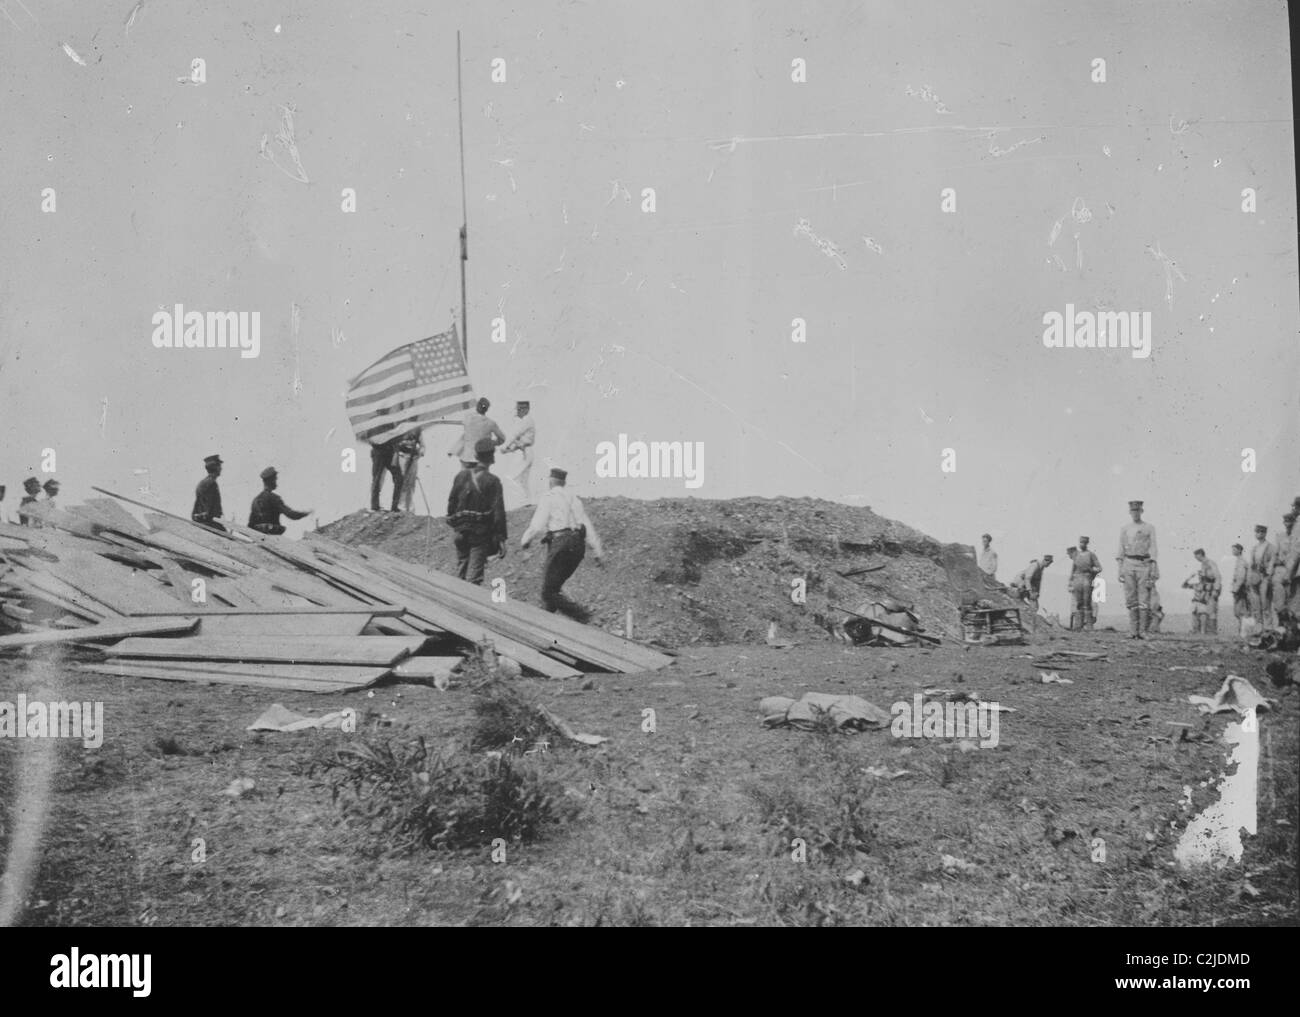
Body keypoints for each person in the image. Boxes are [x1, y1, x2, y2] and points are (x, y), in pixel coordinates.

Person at [520, 467, 605, 618]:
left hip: (560, 544)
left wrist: (525, 541)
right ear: (564, 482)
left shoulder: (549, 497)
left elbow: (537, 525)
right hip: (578, 546)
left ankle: (581, 615)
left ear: (551, 481)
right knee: (553, 588)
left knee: (548, 592)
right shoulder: (574, 499)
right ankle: (546, 621)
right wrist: (597, 551)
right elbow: (588, 526)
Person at [445, 438, 507, 585]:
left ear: (476, 456)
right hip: (479, 535)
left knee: (461, 573)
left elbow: (451, 504)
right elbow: (498, 513)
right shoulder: (493, 481)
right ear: (492, 458)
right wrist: (501, 538)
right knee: (473, 580)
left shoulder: (461, 476)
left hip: (460, 533)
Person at [1115, 499, 1158, 639]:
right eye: (1133, 511)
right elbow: (1120, 549)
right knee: (1130, 597)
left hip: (1143, 564)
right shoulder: (1125, 529)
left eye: (1137, 510)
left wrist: (1153, 566)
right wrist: (1120, 569)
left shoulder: (1149, 528)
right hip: (1128, 563)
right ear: (1129, 512)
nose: (1135, 513)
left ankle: (1143, 631)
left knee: (1144, 598)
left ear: (1142, 511)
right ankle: (1133, 630)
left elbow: (1153, 548)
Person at [248, 467, 313, 535]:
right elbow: (291, 515)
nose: (276, 481)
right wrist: (306, 513)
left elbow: (250, 524)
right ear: (271, 480)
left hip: (258, 538)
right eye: (275, 479)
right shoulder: (274, 498)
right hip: (272, 537)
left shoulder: (256, 500)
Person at [447, 397, 506, 468]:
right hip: (482, 459)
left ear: (477, 406)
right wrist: (491, 443)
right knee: (481, 477)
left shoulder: (468, 419)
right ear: (487, 409)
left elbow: (464, 437)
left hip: (466, 458)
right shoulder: (491, 423)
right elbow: (502, 438)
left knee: (465, 477)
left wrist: (453, 450)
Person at [501, 399, 536, 503]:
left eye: (520, 409)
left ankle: (524, 501)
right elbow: (518, 441)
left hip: (525, 452)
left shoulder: (527, 420)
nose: (518, 411)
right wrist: (509, 450)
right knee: (523, 480)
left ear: (527, 409)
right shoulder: (525, 420)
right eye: (518, 409)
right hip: (524, 451)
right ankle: (528, 502)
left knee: (510, 478)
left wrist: (504, 446)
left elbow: (514, 435)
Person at [1070, 536, 1102, 631]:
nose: (1082, 544)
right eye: (1080, 542)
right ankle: (1078, 626)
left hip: (1087, 579)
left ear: (1087, 544)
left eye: (1084, 543)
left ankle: (1089, 626)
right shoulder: (1076, 555)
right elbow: (1073, 570)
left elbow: (1099, 568)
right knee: (1079, 603)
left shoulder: (1091, 555)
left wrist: (1091, 570)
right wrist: (1071, 583)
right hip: (1077, 580)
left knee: (1087, 603)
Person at [1246, 524, 1275, 626]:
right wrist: (1249, 579)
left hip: (1265, 578)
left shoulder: (1270, 547)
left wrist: (1268, 573)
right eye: (1257, 532)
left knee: (1265, 605)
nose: (1258, 534)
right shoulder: (1254, 548)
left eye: (1261, 532)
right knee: (1256, 606)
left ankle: (1268, 628)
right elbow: (1250, 565)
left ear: (1265, 533)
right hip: (1255, 578)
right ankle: (1258, 628)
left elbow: (1272, 562)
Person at [1270, 513, 1295, 626]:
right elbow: (1276, 554)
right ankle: (1281, 627)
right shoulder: (1280, 536)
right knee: (1279, 602)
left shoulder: (1297, 537)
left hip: (1294, 572)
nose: (1288, 524)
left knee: (1292, 602)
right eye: (1286, 522)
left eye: (1290, 522)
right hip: (1281, 570)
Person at [369, 436, 404, 512]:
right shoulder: (374, 426)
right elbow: (370, 439)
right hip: (378, 452)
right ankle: (374, 506)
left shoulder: (390, 424)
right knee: (376, 480)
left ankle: (394, 507)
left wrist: (396, 453)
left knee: (399, 478)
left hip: (390, 453)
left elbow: (396, 437)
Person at [394, 428, 425, 513]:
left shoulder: (417, 430)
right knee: (402, 482)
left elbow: (422, 446)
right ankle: (401, 506)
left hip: (413, 459)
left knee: (411, 483)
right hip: (402, 457)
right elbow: (395, 443)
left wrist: (420, 453)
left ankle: (410, 507)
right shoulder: (400, 428)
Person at [192, 454, 225, 530]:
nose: (221, 468)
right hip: (209, 524)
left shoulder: (203, 482)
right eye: (219, 466)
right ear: (215, 467)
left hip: (204, 522)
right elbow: (207, 509)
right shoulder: (211, 484)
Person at [1230, 543, 1250, 635]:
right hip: (1240, 589)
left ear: (1239, 550)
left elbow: (1241, 577)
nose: (1233, 551)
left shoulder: (1241, 561)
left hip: (1241, 589)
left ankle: (1243, 632)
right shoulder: (1239, 560)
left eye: (1234, 549)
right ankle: (1242, 632)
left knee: (1240, 611)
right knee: (1239, 612)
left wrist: (1235, 589)